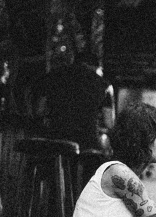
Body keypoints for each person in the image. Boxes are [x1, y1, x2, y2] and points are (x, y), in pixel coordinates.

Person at [32, 50, 115, 189]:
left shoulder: (52, 76)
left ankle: (55, 204)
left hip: (55, 142)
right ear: (96, 67)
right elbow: (109, 122)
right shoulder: (103, 85)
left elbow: (38, 111)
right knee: (90, 179)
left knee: (55, 180)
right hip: (88, 145)